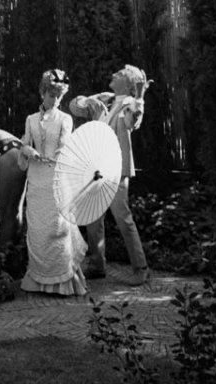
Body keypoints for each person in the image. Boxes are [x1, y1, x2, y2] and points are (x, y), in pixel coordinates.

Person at [69, 65, 152, 285]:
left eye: (118, 74)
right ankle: (97, 264)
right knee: (93, 216)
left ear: (127, 83)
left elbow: (132, 122)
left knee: (122, 218)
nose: (113, 74)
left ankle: (141, 268)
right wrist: (88, 101)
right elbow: (73, 106)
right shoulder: (105, 100)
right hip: (97, 170)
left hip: (116, 170)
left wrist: (140, 96)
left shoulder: (128, 104)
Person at [18, 69, 87, 295]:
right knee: (38, 230)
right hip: (35, 182)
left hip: (56, 180)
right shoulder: (30, 119)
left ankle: (63, 283)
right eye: (51, 95)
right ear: (42, 93)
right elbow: (24, 145)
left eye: (59, 96)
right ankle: (37, 281)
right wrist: (28, 150)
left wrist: (57, 153)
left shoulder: (65, 119)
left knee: (57, 230)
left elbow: (66, 144)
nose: (55, 100)